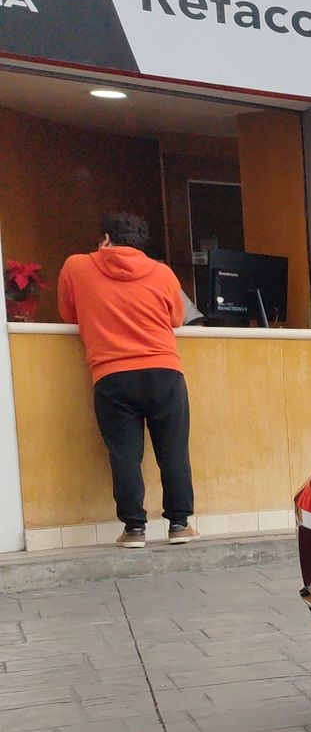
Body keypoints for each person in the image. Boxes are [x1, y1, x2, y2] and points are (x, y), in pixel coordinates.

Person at [57, 212, 197, 548]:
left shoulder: (76, 267)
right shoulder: (162, 272)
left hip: (112, 375)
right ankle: (179, 525)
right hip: (164, 372)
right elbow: (177, 317)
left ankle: (134, 530)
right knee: (173, 450)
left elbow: (67, 314)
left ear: (106, 238)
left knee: (124, 454)